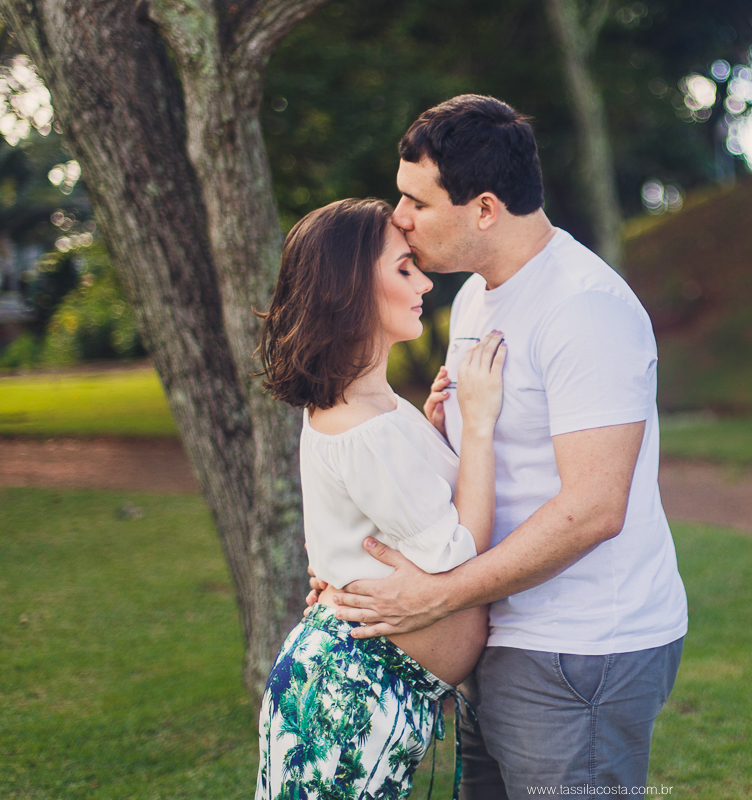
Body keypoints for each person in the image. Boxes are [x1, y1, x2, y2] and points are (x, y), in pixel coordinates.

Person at [320, 95, 689, 798]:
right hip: (494, 625)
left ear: (485, 209)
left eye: (415, 202)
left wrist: (436, 597)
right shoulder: (475, 299)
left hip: (579, 650)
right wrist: (355, 560)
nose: (398, 217)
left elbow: (593, 508)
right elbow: (471, 464)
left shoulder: (586, 309)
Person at [254, 197, 507, 800]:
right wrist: (477, 425)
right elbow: (462, 550)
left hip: (363, 692)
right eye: (402, 269)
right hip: (345, 702)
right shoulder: (363, 426)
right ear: (349, 291)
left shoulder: (375, 406)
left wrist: (435, 433)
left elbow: (406, 507)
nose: (423, 281)